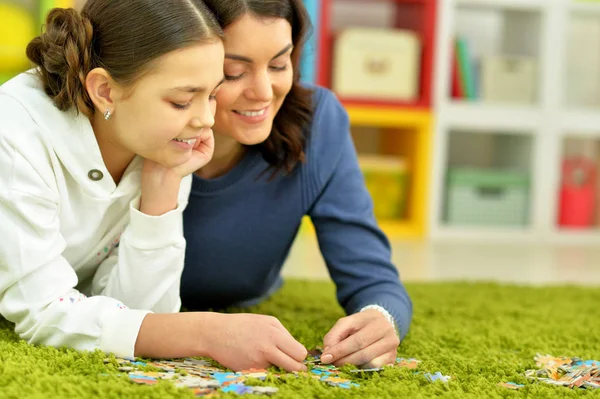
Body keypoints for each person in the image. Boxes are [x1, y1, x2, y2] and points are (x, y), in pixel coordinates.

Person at [181, 0, 413, 372]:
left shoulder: (317, 123)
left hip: (248, 299)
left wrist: (380, 316)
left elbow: (372, 276)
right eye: (233, 72)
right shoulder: (137, 125)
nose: (263, 91)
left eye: (278, 64)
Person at [0, 0, 228, 361]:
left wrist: (161, 190)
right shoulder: (14, 133)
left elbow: (138, 316)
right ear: (104, 91)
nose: (206, 119)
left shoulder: (164, 145)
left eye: (213, 94)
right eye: (183, 101)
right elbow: (41, 310)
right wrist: (201, 334)